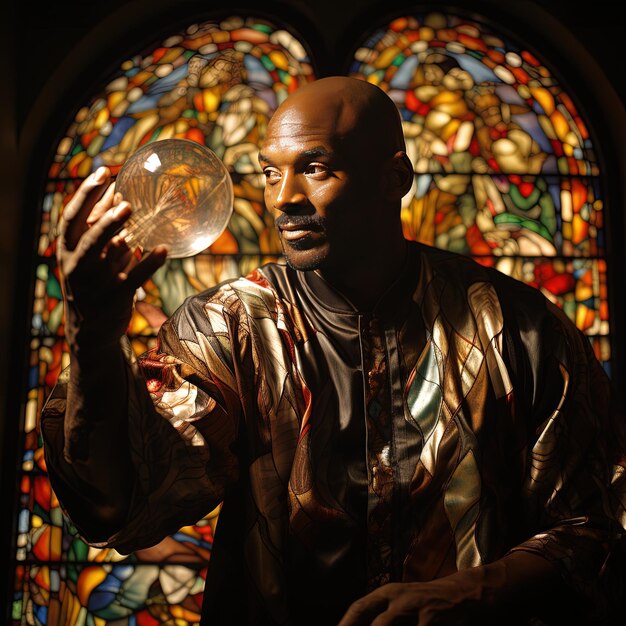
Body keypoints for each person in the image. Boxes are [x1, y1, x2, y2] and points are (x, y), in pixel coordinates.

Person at [41, 76, 625, 626]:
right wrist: (94, 336)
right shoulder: (229, 327)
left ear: (396, 177)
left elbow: (599, 528)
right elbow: (122, 504)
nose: (284, 198)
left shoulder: (517, 327)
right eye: (271, 174)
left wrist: (472, 594)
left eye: (315, 168)